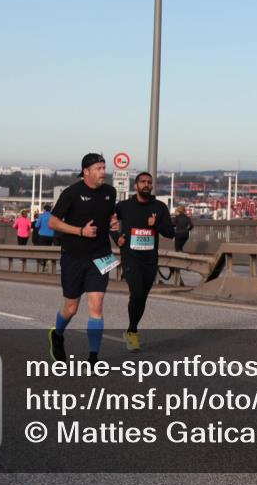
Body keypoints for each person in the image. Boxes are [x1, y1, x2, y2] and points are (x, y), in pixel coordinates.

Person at [47, 153, 119, 365]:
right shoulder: (72, 193)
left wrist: (113, 223)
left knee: (96, 306)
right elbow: (53, 223)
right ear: (86, 171)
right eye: (98, 168)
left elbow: (107, 215)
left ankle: (93, 359)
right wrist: (80, 231)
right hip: (74, 257)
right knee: (71, 308)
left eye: (104, 167)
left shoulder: (110, 192)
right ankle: (57, 334)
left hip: (101, 256)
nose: (102, 172)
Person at [114, 171, 174, 351]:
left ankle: (131, 329)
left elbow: (170, 233)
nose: (146, 184)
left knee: (142, 297)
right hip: (130, 257)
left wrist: (155, 224)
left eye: (149, 182)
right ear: (136, 185)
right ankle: (132, 332)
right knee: (137, 293)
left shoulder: (159, 207)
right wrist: (116, 238)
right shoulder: (123, 206)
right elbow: (110, 224)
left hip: (150, 259)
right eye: (142, 182)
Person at [164, 205, 194, 283]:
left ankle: (178, 264)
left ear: (178, 211)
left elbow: (173, 225)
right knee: (180, 248)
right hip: (186, 235)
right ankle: (183, 259)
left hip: (178, 234)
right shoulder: (187, 218)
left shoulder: (177, 218)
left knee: (177, 250)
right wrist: (187, 230)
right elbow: (191, 226)